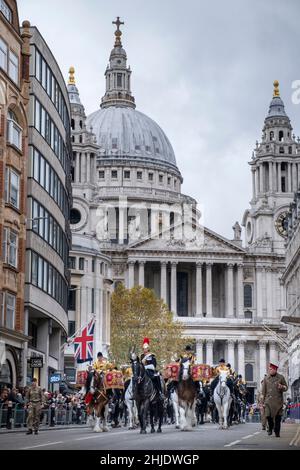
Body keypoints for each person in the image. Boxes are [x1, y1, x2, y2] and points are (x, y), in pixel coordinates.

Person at [261, 363, 288, 437]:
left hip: (278, 401)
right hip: (268, 401)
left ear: (275, 370)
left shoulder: (281, 377)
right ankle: (270, 428)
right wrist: (261, 402)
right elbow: (263, 392)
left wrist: (282, 387)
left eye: (271, 369)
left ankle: (277, 431)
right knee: (268, 416)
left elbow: (286, 388)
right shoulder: (266, 378)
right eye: (269, 369)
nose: (269, 371)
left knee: (278, 418)